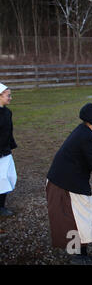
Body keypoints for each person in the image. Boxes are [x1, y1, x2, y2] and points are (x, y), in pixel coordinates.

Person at [46, 103, 92, 264]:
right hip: (66, 183)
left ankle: (81, 253)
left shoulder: (84, 131)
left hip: (68, 180)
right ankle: (79, 256)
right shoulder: (85, 135)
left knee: (81, 217)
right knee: (80, 218)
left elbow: (90, 151)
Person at [0, 83, 18, 217]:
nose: (10, 98)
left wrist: (10, 145)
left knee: (9, 177)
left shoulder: (7, 112)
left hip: (5, 151)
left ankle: (1, 206)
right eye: (8, 95)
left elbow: (8, 131)